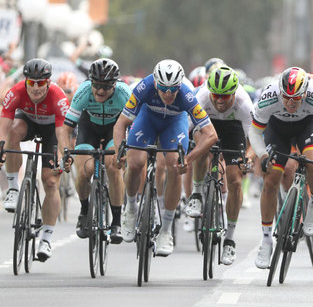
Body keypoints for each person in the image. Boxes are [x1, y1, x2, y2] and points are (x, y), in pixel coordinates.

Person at [113, 59, 217, 256]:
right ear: (156, 84)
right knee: (135, 163)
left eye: (173, 90)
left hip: (174, 123)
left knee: (174, 165)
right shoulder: (144, 86)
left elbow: (211, 135)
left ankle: (166, 230)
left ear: (179, 85)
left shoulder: (186, 94)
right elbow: (121, 124)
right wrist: (119, 151)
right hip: (148, 120)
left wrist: (189, 158)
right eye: (163, 89)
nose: (168, 94)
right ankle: (131, 208)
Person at [248, 67, 313, 269]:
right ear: (280, 92)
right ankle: (266, 240)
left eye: (296, 98)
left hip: (306, 126)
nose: (290, 102)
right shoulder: (269, 95)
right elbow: (254, 133)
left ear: (305, 93)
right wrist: (263, 155)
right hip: (277, 130)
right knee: (271, 179)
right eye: (287, 97)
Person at [0, 58, 69, 261]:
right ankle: (13, 188)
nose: (36, 88)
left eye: (41, 83)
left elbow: (61, 134)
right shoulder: (16, 92)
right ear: (26, 81)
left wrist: (60, 157)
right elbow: (4, 126)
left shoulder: (59, 98)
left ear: (48, 82)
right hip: (27, 121)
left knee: (50, 181)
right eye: (32, 82)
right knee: (12, 134)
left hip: (51, 131)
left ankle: (46, 238)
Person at [186, 66, 255, 265]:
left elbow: (255, 139)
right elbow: (187, 129)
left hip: (234, 131)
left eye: (225, 97)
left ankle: (230, 240)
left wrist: (248, 158)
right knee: (200, 147)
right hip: (207, 127)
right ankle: (197, 193)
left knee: (234, 181)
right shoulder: (202, 98)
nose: (219, 101)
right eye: (216, 95)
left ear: (234, 93)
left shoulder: (244, 104)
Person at [58, 58, 131, 244]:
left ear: (114, 85)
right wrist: (66, 152)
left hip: (113, 129)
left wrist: (124, 152)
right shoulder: (83, 91)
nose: (100, 90)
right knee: (85, 171)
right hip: (88, 128)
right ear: (91, 81)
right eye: (97, 85)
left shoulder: (124, 94)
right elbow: (66, 129)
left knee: (113, 168)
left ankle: (116, 221)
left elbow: (136, 126)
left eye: (106, 87)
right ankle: (84, 210)